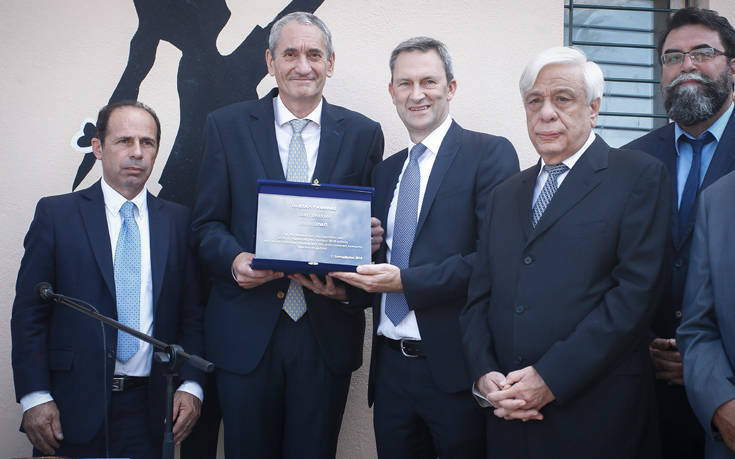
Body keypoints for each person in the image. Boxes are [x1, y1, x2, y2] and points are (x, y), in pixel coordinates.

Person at [460, 46, 670, 458]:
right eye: (534, 101)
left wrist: (550, 377)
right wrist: (485, 375)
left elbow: (634, 298)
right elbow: (478, 298)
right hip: (508, 418)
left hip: (596, 419)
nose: (546, 113)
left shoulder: (638, 176)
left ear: (593, 108)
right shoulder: (505, 194)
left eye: (562, 99)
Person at [191, 11, 384, 458]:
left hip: (325, 333)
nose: (302, 65)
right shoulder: (226, 126)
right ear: (270, 62)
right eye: (290, 54)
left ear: (330, 63)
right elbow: (205, 226)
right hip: (246, 333)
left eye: (314, 54)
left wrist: (365, 247)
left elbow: (373, 237)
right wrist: (234, 261)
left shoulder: (363, 134)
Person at [332, 36, 518, 458]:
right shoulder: (385, 173)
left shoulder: (489, 154)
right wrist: (343, 284)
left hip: (455, 370)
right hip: (391, 373)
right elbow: (380, 264)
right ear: (392, 91)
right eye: (405, 83)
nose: (417, 94)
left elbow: (493, 260)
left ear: (450, 87)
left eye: (428, 81)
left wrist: (405, 282)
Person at [11, 100, 205, 458]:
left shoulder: (178, 222)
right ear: (98, 148)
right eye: (124, 141)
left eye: (147, 142)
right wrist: (34, 396)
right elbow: (29, 315)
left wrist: (192, 385)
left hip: (150, 411)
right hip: (69, 407)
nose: (137, 152)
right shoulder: (57, 215)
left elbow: (192, 314)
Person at [624, 7, 735, 457]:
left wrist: (706, 368)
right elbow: (609, 269)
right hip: (647, 394)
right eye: (673, 57)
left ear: (733, 68)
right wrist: (641, 345)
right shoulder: (630, 162)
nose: (686, 65)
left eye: (702, 53)